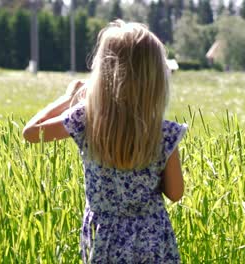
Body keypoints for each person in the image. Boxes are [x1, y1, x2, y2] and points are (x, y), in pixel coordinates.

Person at [22, 20, 187, 263]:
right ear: (155, 81)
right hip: (152, 242)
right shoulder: (164, 133)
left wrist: (69, 99)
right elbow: (175, 193)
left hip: (103, 239)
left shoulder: (86, 119)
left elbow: (31, 132)